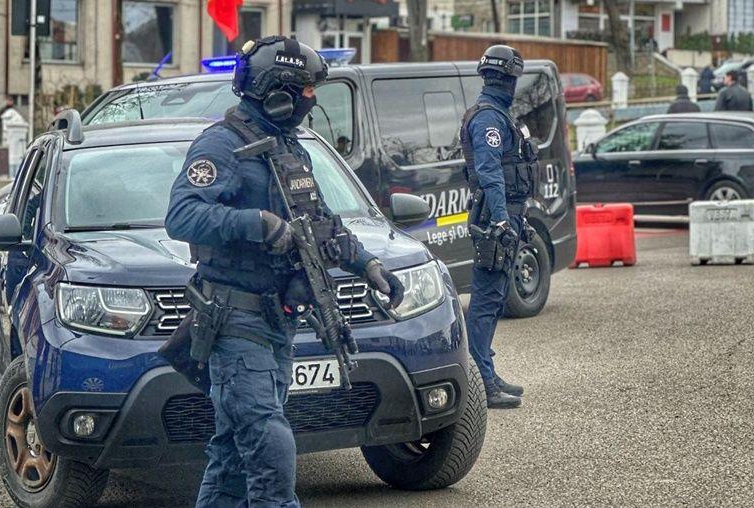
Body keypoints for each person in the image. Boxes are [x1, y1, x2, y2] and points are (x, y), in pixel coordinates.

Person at [165, 36, 404, 507]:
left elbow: (322, 225)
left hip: (277, 323)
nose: (312, 99)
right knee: (269, 449)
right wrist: (257, 224)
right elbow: (182, 216)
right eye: (306, 90)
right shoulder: (221, 145)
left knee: (232, 459)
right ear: (277, 93)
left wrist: (368, 265)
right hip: (235, 322)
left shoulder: (289, 148)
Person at [460, 45, 537, 409]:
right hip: (495, 218)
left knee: (496, 296)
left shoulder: (499, 114)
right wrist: (502, 219)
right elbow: (490, 172)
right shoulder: (488, 119)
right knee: (486, 299)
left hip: (505, 214)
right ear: (508, 79)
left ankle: (485, 371)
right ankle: (481, 380)